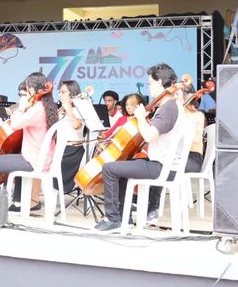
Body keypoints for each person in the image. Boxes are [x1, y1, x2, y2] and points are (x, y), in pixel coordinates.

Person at [95, 64, 184, 231]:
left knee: (109, 168)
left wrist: (141, 118)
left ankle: (113, 219)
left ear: (159, 83)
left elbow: (150, 135)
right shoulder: (171, 105)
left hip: (163, 166)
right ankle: (124, 218)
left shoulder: (168, 107)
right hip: (163, 163)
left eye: (150, 83)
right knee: (121, 165)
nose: (149, 87)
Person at [0, 72, 58, 212]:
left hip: (32, 161)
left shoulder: (37, 110)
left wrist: (21, 107)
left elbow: (14, 124)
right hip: (43, 159)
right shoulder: (47, 107)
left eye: (26, 90)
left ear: (32, 90)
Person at [57, 80, 86, 195]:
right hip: (61, 149)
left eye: (63, 92)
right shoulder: (63, 110)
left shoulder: (79, 109)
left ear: (72, 93)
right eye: (59, 92)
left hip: (71, 152)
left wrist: (68, 107)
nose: (60, 94)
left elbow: (76, 125)